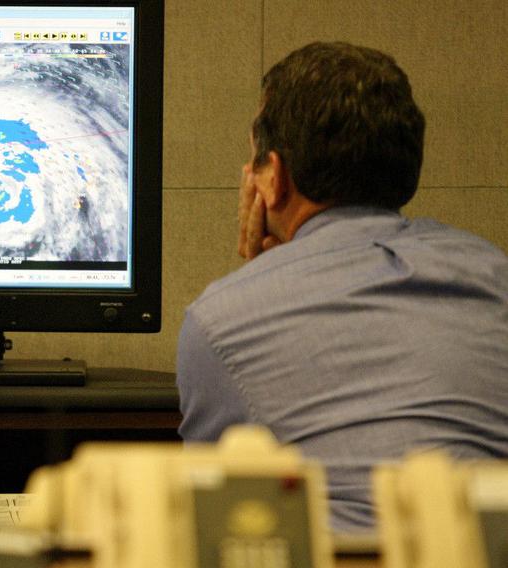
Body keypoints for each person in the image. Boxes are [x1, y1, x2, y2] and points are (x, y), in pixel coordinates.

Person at [176, 41, 508, 532]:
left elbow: (218, 511)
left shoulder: (220, 320)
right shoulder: (494, 275)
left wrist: (261, 281)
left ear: (272, 178)